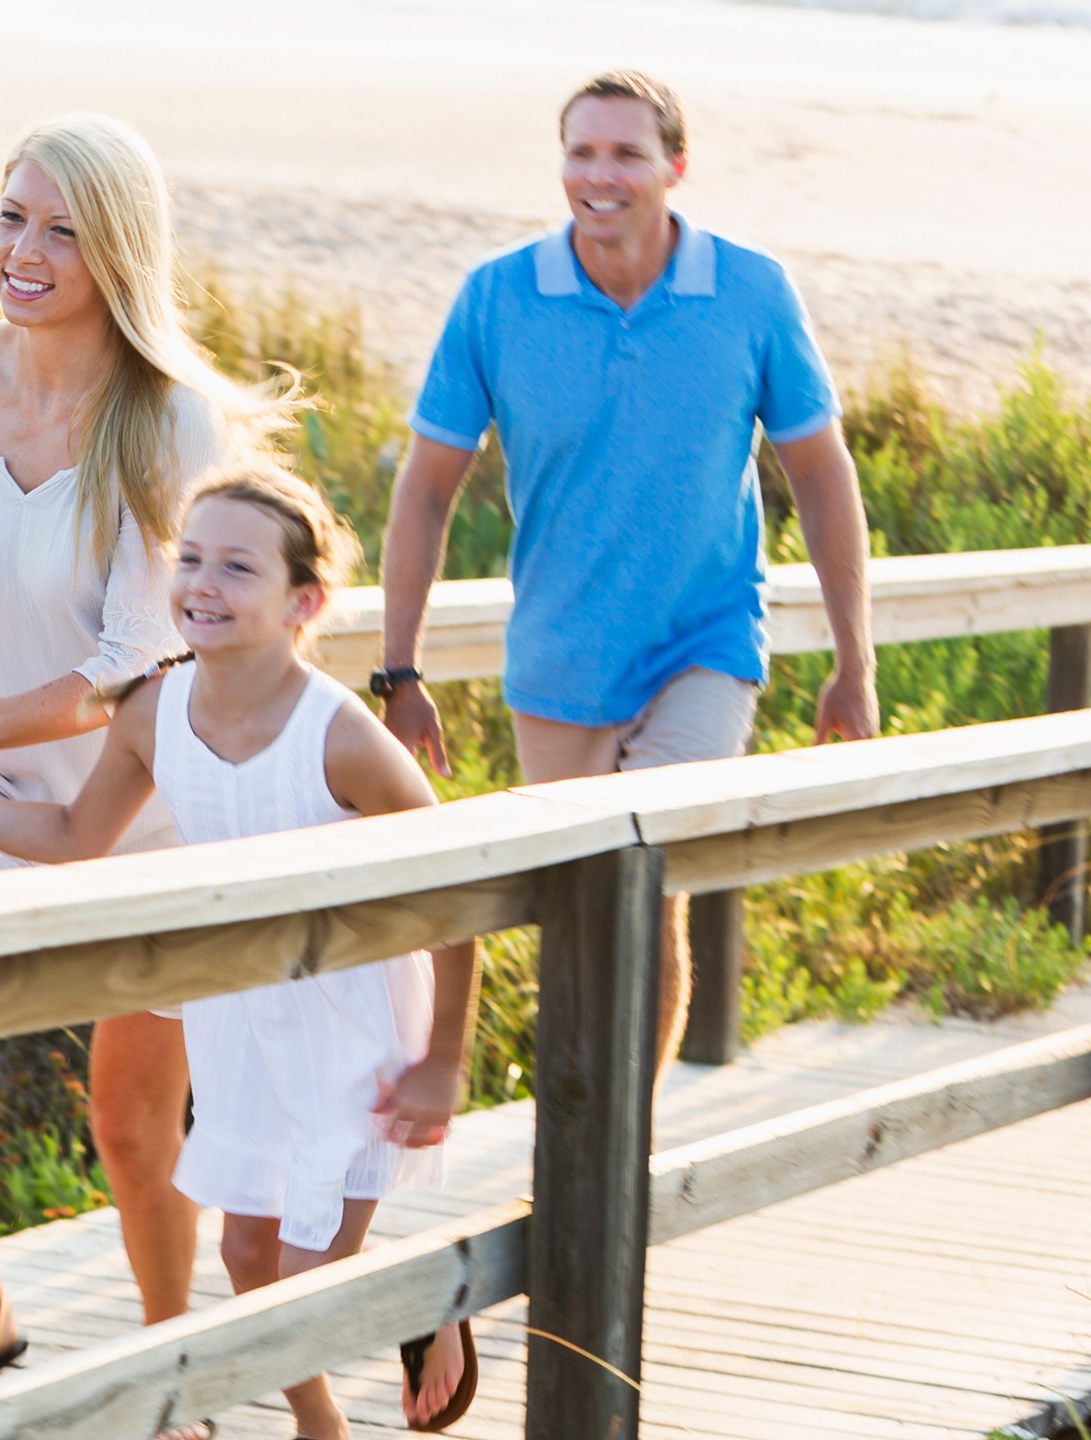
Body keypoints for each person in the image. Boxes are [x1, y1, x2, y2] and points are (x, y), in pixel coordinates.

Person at [0, 465, 482, 1438]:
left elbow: (457, 893)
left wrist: (444, 1057)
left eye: (237, 567)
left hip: (354, 1017)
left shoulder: (345, 740)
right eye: (189, 559)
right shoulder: (155, 711)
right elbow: (75, 834)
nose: (202, 583)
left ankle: (428, 1291)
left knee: (302, 1269)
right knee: (247, 1254)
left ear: (304, 601)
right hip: (242, 1014)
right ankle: (323, 1422)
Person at [0, 112, 293, 1428]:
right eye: (9, 217)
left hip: (140, 801)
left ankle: (174, 1370)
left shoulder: (169, 422)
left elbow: (129, 669)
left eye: (61, 231)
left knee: (133, 1129)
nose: (23, 253)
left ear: (118, 254)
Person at [379, 71, 878, 1085]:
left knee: (647, 884)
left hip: (704, 644)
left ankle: (622, 1143)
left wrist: (852, 660)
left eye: (624, 154)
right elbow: (426, 491)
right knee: (577, 909)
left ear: (673, 168)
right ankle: (582, 1121)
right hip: (559, 657)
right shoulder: (497, 299)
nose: (598, 176)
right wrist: (399, 669)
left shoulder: (748, 293)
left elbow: (820, 474)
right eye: (580, 152)